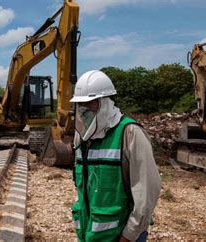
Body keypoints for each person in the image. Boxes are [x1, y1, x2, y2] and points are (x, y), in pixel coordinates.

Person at [69, 70, 161, 242]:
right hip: (90, 235)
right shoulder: (80, 137)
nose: (84, 110)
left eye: (90, 104)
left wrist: (129, 235)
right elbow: (83, 186)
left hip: (123, 237)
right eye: (80, 104)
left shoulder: (130, 133)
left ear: (104, 103)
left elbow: (147, 193)